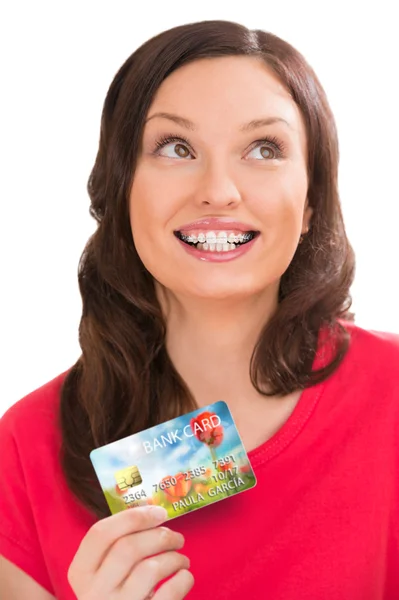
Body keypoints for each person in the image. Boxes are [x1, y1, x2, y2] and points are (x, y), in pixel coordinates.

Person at [0, 18, 398, 600]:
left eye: (264, 148)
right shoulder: (24, 450)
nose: (219, 189)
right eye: (176, 147)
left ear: (311, 199)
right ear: (120, 186)